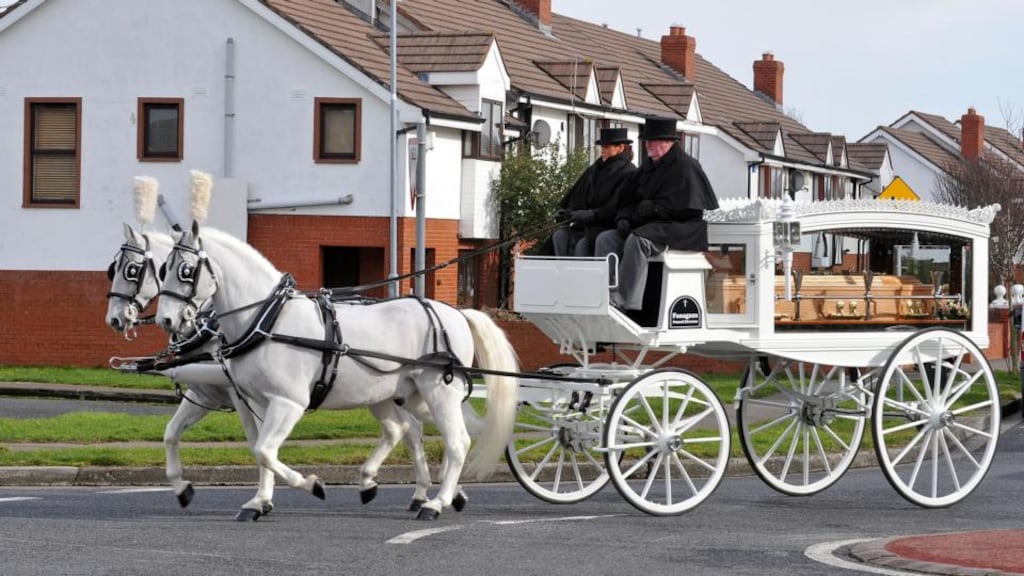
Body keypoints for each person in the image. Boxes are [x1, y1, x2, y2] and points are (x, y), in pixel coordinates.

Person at [595, 117, 719, 311]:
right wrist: (624, 218)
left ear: (667, 142)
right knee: (606, 238)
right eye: (646, 141)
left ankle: (622, 299)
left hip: (681, 227)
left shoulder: (686, 166)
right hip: (650, 224)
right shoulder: (648, 166)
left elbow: (690, 208)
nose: (647, 145)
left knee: (638, 240)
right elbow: (628, 198)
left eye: (651, 140)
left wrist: (656, 209)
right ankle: (602, 292)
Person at [551, 127, 637, 256]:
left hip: (607, 226)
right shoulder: (594, 170)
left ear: (620, 148)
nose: (603, 151)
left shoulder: (629, 172)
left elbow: (615, 207)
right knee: (560, 236)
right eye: (602, 147)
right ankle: (561, 274)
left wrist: (591, 214)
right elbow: (578, 195)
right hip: (585, 225)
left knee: (582, 246)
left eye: (607, 147)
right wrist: (569, 212)